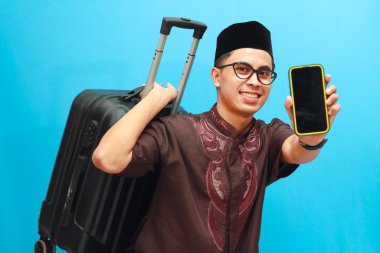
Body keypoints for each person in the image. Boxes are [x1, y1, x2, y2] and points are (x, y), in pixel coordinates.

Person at [92, 21, 340, 253]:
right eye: (242, 69)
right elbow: (107, 158)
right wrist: (156, 100)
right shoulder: (177, 131)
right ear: (216, 76)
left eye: (264, 74)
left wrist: (314, 135)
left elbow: (298, 151)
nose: (254, 81)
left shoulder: (269, 135)